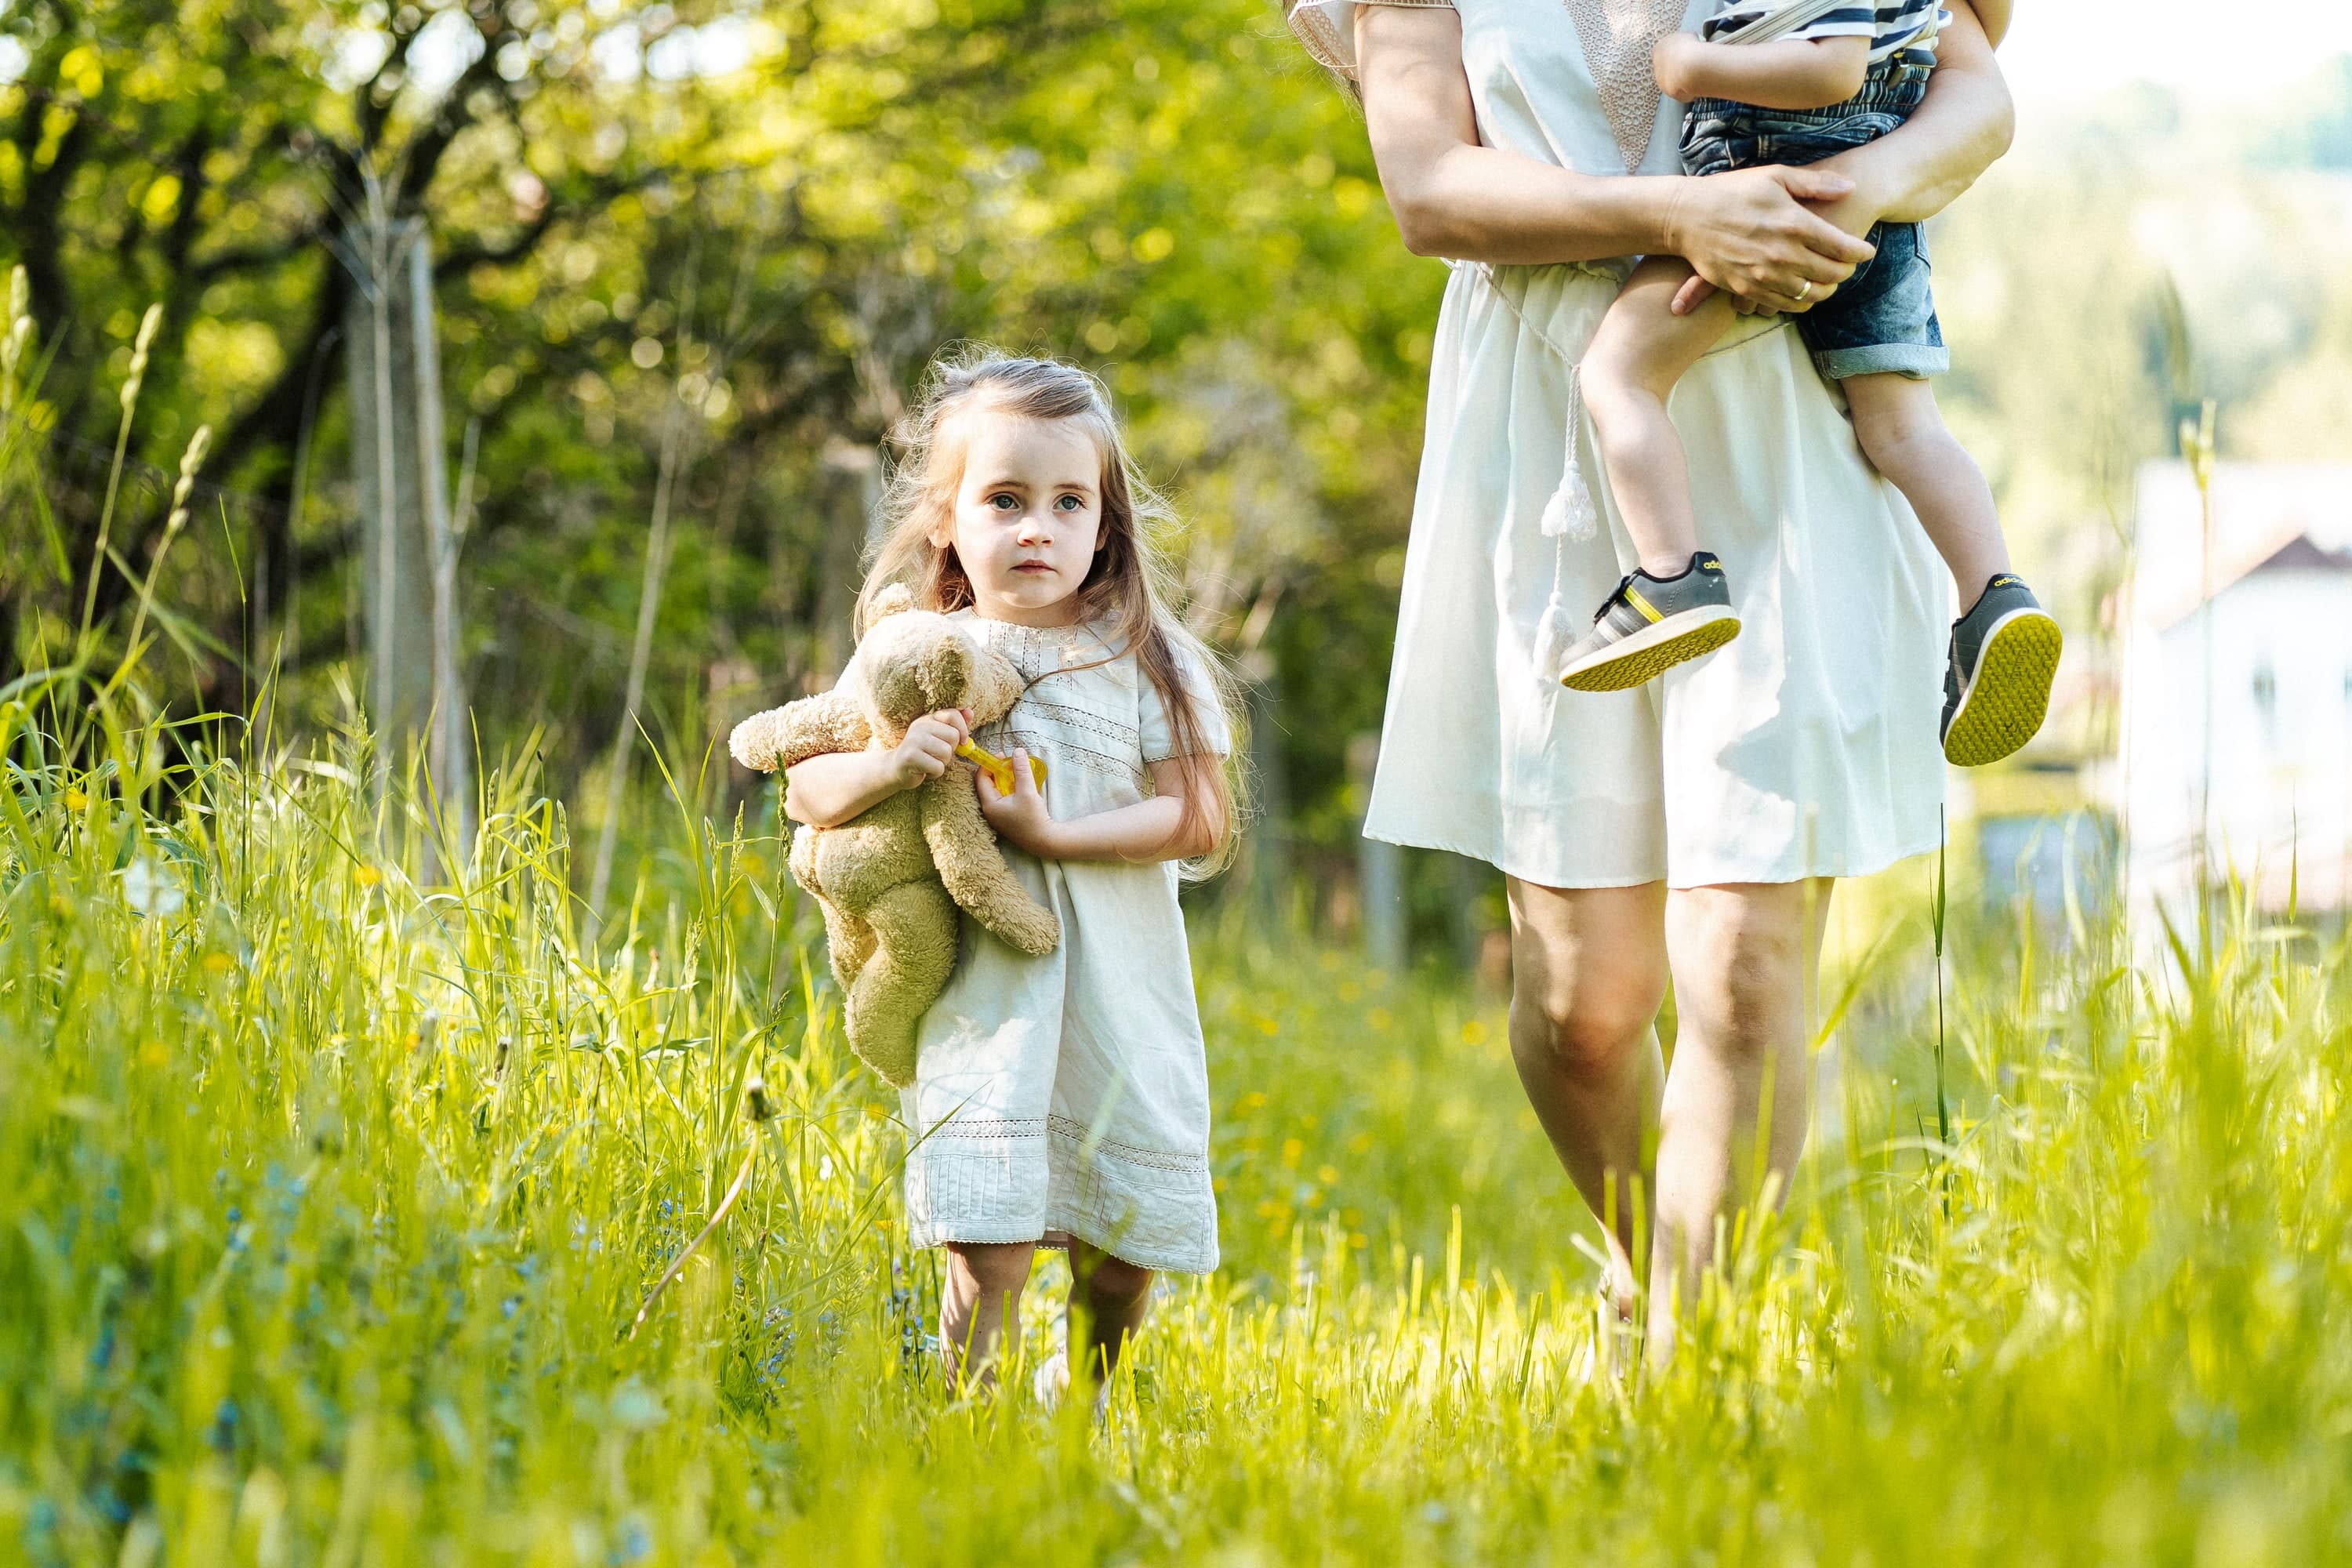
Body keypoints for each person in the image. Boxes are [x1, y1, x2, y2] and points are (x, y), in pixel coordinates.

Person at [1284, 0, 2016, 1360]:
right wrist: (1683, 215)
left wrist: (1814, 202)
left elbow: (1975, 102)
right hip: (1557, 421)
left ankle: (1695, 1367)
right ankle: (1647, 1271)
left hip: (1792, 402)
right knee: (1584, 1006)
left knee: (1745, 959)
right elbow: (1432, 188)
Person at [781, 350, 1239, 1399]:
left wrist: (1054, 835)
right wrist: (895, 762)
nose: (1037, 526)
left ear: (1104, 525)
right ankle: (971, 1427)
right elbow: (811, 791)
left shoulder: (1144, 657)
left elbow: (1200, 816)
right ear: (946, 520)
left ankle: (1090, 1408)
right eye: (1005, 499)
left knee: (1118, 1255)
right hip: (985, 998)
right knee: (987, 1243)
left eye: (1067, 501)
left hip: (1117, 988)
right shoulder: (914, 650)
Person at [1554, 0, 2057, 775]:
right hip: (1878, 208)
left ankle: (1671, 574)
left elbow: (1834, 65)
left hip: (1770, 196)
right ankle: (1992, 595)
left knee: (1619, 372)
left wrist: (1696, 66)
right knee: (1904, 430)